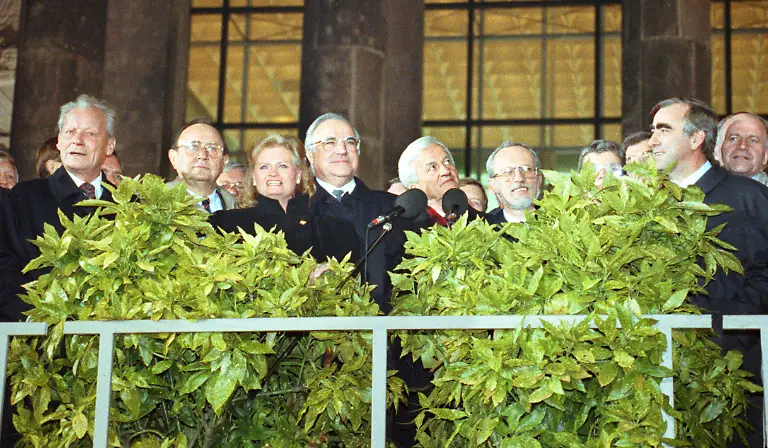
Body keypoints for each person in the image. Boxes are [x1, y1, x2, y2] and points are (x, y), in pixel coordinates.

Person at [649, 97, 768, 448]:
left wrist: (726, 335)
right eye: (652, 130)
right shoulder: (647, 202)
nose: (653, 139)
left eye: (663, 130)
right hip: (664, 374)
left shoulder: (746, 196)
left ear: (696, 138)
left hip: (732, 378)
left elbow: (764, 272)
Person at [0, 94, 117, 322]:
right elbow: (4, 267)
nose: (77, 140)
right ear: (59, 142)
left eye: (90, 133)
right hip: (35, 339)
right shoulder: (21, 199)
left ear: (110, 145)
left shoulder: (128, 206)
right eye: (69, 132)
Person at [304, 113, 408, 311]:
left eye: (350, 142)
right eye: (330, 142)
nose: (342, 150)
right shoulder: (295, 209)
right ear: (310, 154)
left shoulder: (393, 208)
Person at [210, 134, 358, 261]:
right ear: (254, 178)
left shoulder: (335, 229)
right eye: (264, 167)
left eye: (282, 166)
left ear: (298, 174)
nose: (273, 173)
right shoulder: (226, 225)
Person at [167, 118, 236, 213]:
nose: (202, 155)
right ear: (173, 158)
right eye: (193, 147)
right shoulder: (150, 204)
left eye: (212, 148)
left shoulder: (239, 208)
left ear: (224, 161)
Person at [398, 136, 462, 226]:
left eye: (447, 162)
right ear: (415, 188)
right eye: (432, 167)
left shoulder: (483, 221)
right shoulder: (406, 229)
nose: (446, 171)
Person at [485, 142, 542, 224]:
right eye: (507, 172)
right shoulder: (483, 231)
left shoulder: (559, 221)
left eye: (526, 169)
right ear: (492, 186)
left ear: (539, 179)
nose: (519, 178)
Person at [715, 112, 768, 186]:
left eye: (753, 140)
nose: (742, 146)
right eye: (733, 138)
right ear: (717, 151)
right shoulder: (699, 192)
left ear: (766, 155)